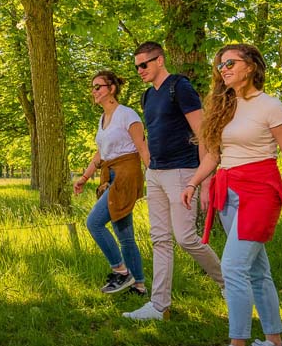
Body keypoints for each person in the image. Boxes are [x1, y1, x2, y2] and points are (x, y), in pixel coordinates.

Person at [181, 44, 282, 346]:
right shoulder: (225, 106)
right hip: (228, 193)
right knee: (257, 271)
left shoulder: (271, 106)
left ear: (251, 66)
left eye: (230, 62)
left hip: (260, 193)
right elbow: (214, 155)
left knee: (233, 268)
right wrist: (194, 183)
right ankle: (274, 344)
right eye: (220, 65)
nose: (223, 69)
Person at [123, 42, 224, 321]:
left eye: (144, 64)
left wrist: (205, 180)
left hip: (182, 172)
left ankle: (228, 283)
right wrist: (149, 166)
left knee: (186, 238)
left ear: (160, 60)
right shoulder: (147, 96)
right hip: (155, 173)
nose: (140, 70)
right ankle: (159, 306)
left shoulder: (179, 87)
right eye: (136, 66)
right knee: (160, 239)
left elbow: (203, 134)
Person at [74, 70, 150, 295]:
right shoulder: (103, 119)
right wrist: (84, 177)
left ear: (112, 89)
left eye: (98, 86)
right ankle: (139, 286)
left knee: (94, 223)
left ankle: (121, 271)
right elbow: (101, 153)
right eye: (93, 87)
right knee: (125, 235)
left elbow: (142, 148)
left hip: (126, 175)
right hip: (111, 175)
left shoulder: (127, 115)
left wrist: (154, 177)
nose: (94, 91)